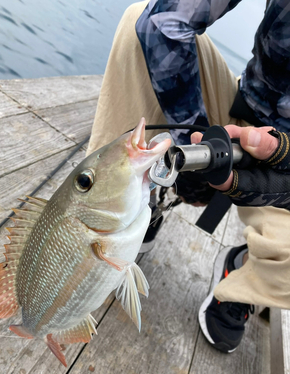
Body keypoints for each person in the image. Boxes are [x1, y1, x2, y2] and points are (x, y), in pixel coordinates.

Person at [86, 0, 290, 352]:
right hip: (243, 111)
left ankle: (242, 276)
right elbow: (164, 22)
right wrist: (193, 146)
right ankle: (123, 206)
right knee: (140, 22)